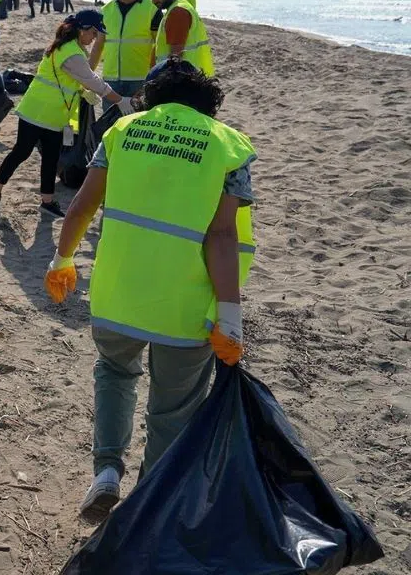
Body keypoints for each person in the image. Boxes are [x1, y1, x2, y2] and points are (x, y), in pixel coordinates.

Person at [45, 59, 255, 524]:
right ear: (208, 107)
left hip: (118, 293)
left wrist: (62, 259)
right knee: (173, 405)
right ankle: (150, 499)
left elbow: (81, 204)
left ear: (151, 97)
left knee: (115, 374)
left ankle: (106, 473)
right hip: (182, 305)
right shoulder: (227, 147)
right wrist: (230, 315)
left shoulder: (122, 132)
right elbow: (223, 237)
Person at [0, 11, 128, 218]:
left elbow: (70, 80)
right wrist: (120, 100)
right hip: (36, 111)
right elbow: (94, 81)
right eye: (94, 33)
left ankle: (47, 201)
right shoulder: (70, 52)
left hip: (54, 115)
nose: (95, 39)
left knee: (52, 157)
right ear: (82, 30)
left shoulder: (72, 48)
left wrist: (83, 92)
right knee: (22, 152)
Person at [100, 0, 159, 104]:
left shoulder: (152, 9)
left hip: (139, 79)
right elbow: (98, 45)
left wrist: (154, 75)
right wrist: (89, 74)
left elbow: (160, 45)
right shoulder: (106, 10)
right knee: (109, 124)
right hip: (111, 80)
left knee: (137, 122)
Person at [146, 0, 215, 76]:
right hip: (193, 77)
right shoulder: (179, 7)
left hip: (183, 80)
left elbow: (175, 58)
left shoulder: (177, 12)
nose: (153, 1)